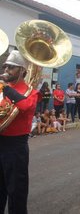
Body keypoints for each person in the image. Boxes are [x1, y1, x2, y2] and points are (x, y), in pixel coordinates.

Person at [0, 50, 39, 213]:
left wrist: (8, 91)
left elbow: (26, 107)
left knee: (16, 191)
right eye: (5, 67)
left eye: (11, 67)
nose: (6, 70)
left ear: (22, 70)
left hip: (16, 146)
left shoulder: (31, 92)